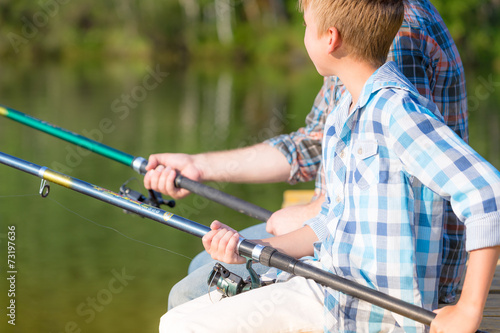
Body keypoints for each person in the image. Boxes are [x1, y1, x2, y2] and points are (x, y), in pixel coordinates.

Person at [156, 0, 500, 331]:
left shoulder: (398, 111)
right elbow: (334, 220)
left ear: (331, 38)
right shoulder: (343, 114)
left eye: (306, 27)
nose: (303, 35)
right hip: (333, 286)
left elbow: (488, 192)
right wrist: (260, 251)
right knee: (185, 313)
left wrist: (467, 311)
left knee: (180, 323)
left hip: (378, 309)